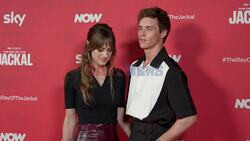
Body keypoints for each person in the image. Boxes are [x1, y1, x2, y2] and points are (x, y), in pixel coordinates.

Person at [126, 7, 197, 141]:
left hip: (157, 135)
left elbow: (188, 117)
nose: (142, 34)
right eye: (140, 28)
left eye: (149, 29)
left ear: (163, 33)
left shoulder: (171, 71)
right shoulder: (135, 66)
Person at [62, 23, 130, 141]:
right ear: (89, 44)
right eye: (100, 49)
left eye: (109, 50)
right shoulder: (73, 77)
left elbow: (121, 119)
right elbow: (70, 119)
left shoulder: (118, 77)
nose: (105, 55)